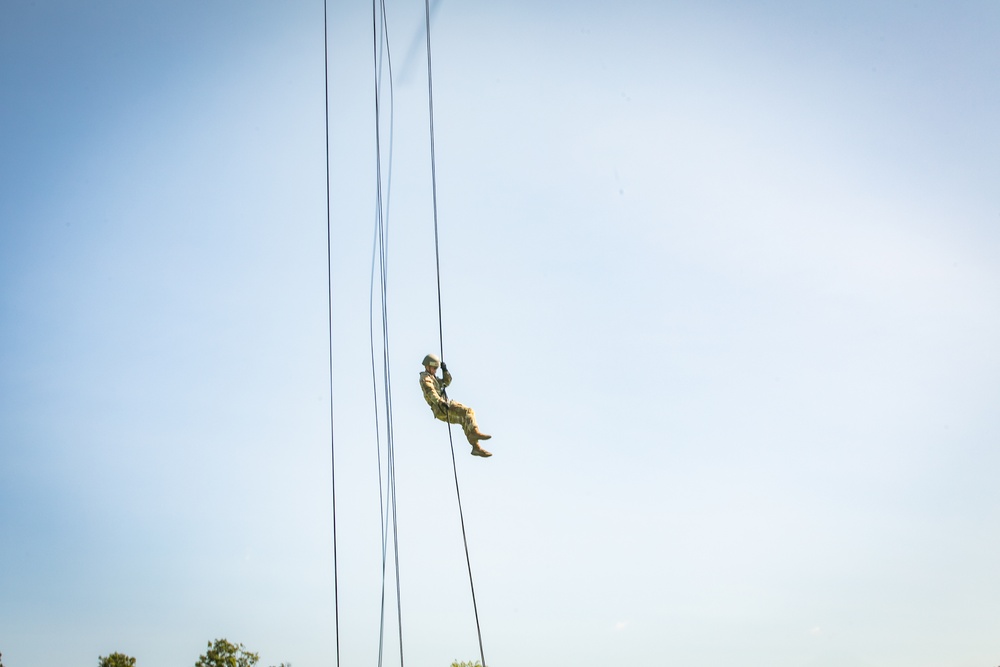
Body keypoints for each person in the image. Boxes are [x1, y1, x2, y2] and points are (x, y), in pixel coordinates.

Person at [419, 353, 492, 457]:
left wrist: (445, 371)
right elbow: (431, 393)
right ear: (428, 366)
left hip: (442, 408)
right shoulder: (426, 378)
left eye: (436, 368)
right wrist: (441, 402)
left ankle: (476, 447)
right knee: (468, 411)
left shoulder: (433, 377)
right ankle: (475, 433)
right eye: (434, 368)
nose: (435, 370)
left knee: (465, 419)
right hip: (441, 407)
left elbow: (446, 382)